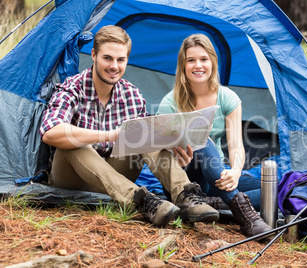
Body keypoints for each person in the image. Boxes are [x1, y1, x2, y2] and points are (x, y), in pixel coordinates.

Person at [39, 25, 219, 228]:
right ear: (93, 55)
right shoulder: (72, 88)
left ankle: (185, 195)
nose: (114, 66)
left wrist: (174, 150)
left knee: (147, 134)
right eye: (107, 58)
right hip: (73, 178)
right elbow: (50, 132)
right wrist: (110, 135)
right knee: (73, 143)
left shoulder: (132, 94)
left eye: (120, 59)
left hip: (117, 174)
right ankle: (143, 202)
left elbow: (151, 143)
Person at [157, 33, 272, 238]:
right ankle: (247, 218)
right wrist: (177, 156)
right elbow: (158, 148)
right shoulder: (170, 103)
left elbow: (236, 145)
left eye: (203, 59)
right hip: (183, 180)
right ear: (183, 66)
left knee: (275, 189)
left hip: (214, 177)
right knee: (200, 136)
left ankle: (216, 203)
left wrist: (236, 171)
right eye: (191, 60)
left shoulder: (227, 98)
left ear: (213, 62)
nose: (198, 65)